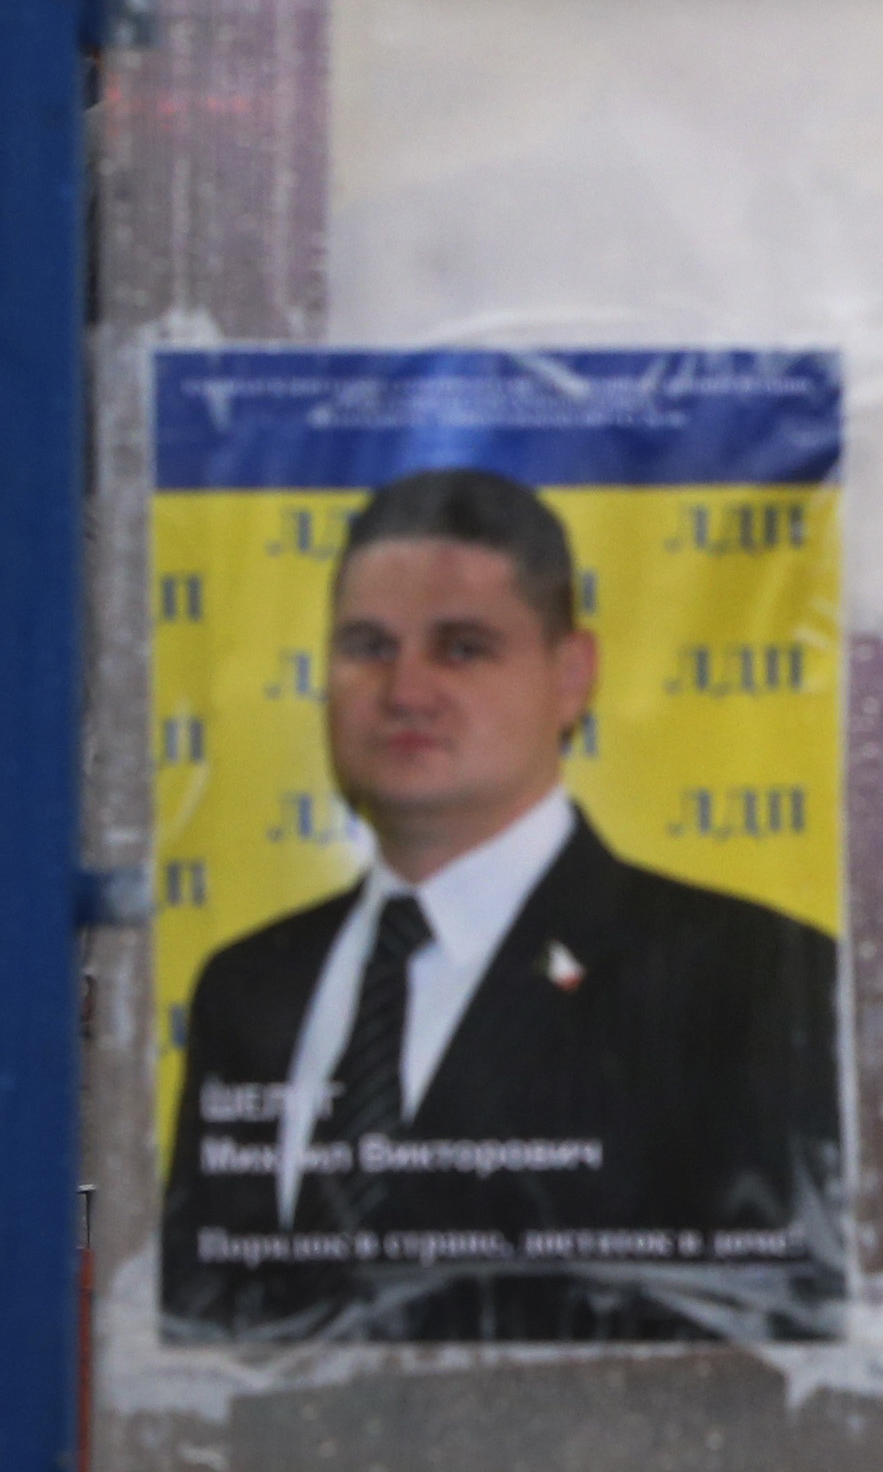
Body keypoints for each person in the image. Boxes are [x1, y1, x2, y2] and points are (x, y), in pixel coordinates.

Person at [158, 469, 842, 1346]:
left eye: (462, 648)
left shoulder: (745, 977)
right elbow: (198, 1322)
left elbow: (774, 1336)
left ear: (571, 676)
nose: (405, 691)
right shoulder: (248, 985)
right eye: (368, 645)